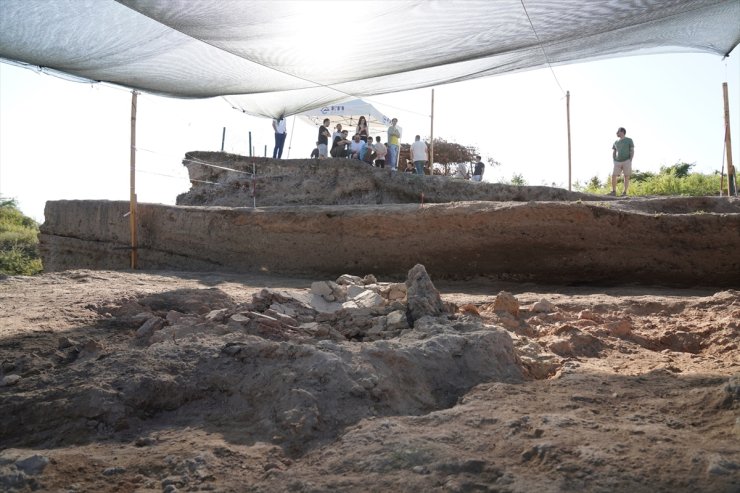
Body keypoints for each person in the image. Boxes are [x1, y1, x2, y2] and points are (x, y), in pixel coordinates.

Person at [610, 127, 634, 196]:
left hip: (627, 160)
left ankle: (624, 192)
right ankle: (613, 192)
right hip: (617, 161)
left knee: (626, 176)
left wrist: (630, 160)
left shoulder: (629, 140)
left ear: (622, 132)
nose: (616, 133)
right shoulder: (616, 142)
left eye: (618, 132)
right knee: (614, 175)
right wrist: (614, 160)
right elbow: (614, 151)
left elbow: (632, 150)